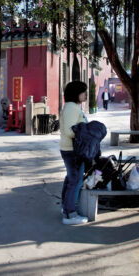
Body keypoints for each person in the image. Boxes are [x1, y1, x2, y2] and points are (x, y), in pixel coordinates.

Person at [60, 81, 90, 226]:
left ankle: (65, 207)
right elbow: (69, 130)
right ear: (76, 93)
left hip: (70, 149)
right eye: (83, 92)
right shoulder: (72, 107)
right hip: (73, 150)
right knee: (75, 181)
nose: (86, 94)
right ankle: (70, 214)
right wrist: (85, 132)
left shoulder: (71, 107)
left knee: (71, 179)